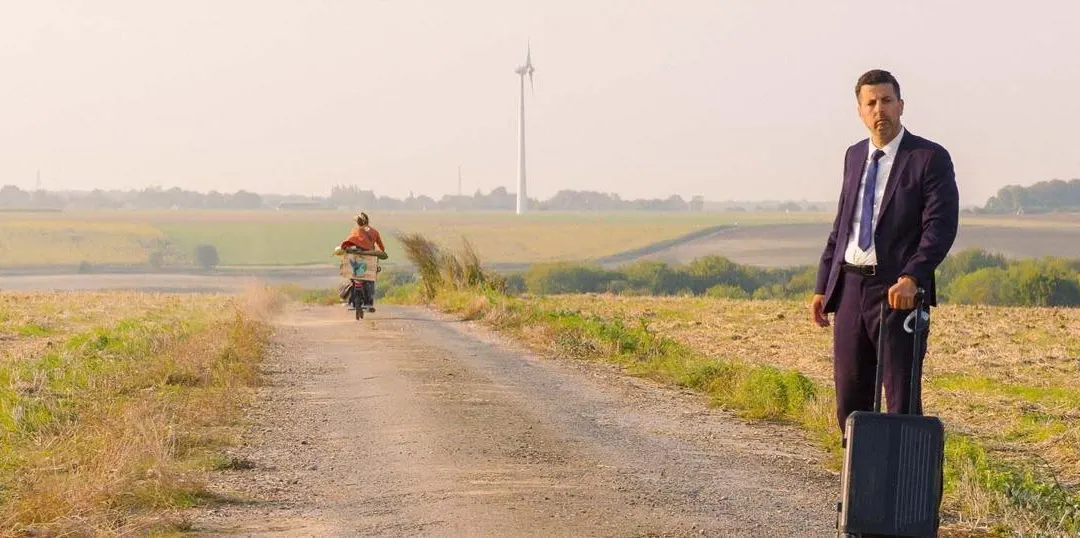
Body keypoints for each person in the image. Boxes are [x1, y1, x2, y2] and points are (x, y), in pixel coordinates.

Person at [810, 69, 959, 433]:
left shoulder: (928, 157)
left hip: (898, 295)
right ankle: (857, 490)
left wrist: (912, 277)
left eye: (887, 101)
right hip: (849, 290)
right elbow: (843, 224)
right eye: (871, 103)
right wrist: (822, 286)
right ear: (860, 111)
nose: (881, 109)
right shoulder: (853, 156)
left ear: (901, 105)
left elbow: (939, 227)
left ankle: (905, 489)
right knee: (849, 404)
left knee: (901, 406)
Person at [339, 213, 385, 312]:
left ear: (358, 222)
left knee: (352, 277)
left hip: (356, 258)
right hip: (369, 259)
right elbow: (382, 247)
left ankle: (348, 300)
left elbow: (347, 243)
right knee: (370, 280)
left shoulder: (356, 230)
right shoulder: (374, 232)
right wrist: (381, 252)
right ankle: (369, 303)